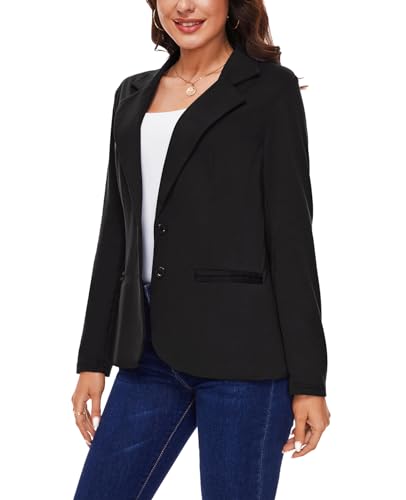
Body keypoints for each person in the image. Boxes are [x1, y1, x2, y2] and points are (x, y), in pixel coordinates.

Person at [72, 1, 331, 498]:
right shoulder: (131, 94)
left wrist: (309, 381)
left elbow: (292, 237)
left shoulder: (269, 90)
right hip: (146, 350)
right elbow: (116, 232)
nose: (185, 6)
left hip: (246, 357)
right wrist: (93, 358)